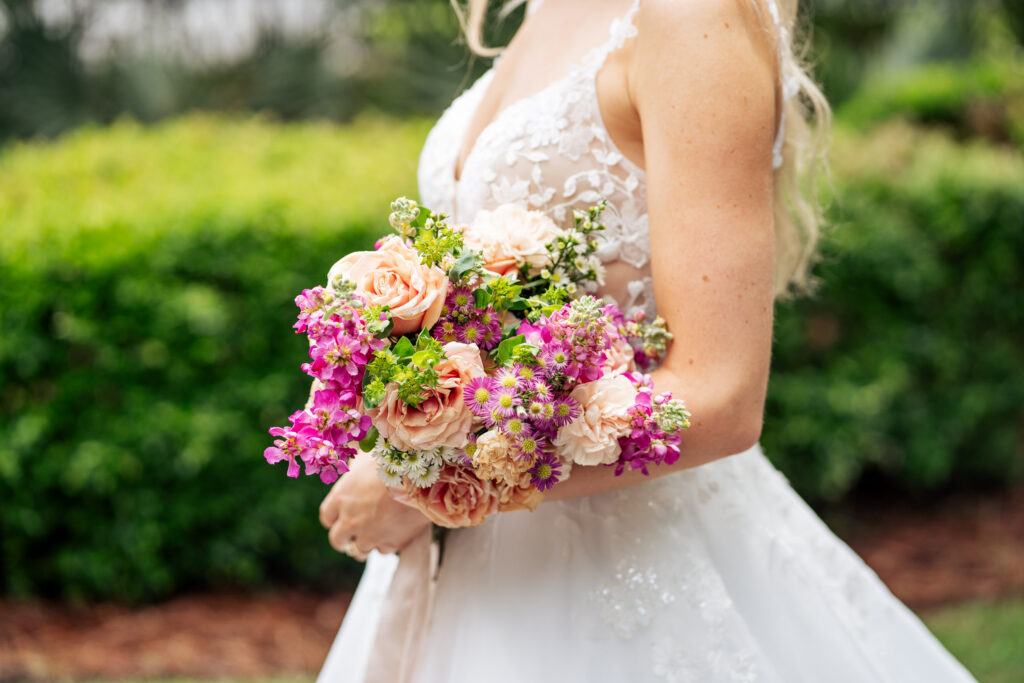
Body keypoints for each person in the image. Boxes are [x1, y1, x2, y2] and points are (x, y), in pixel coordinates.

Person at [316, 0, 977, 680]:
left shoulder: (694, 16)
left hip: (624, 565)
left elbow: (720, 393)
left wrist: (418, 479)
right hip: (480, 562)